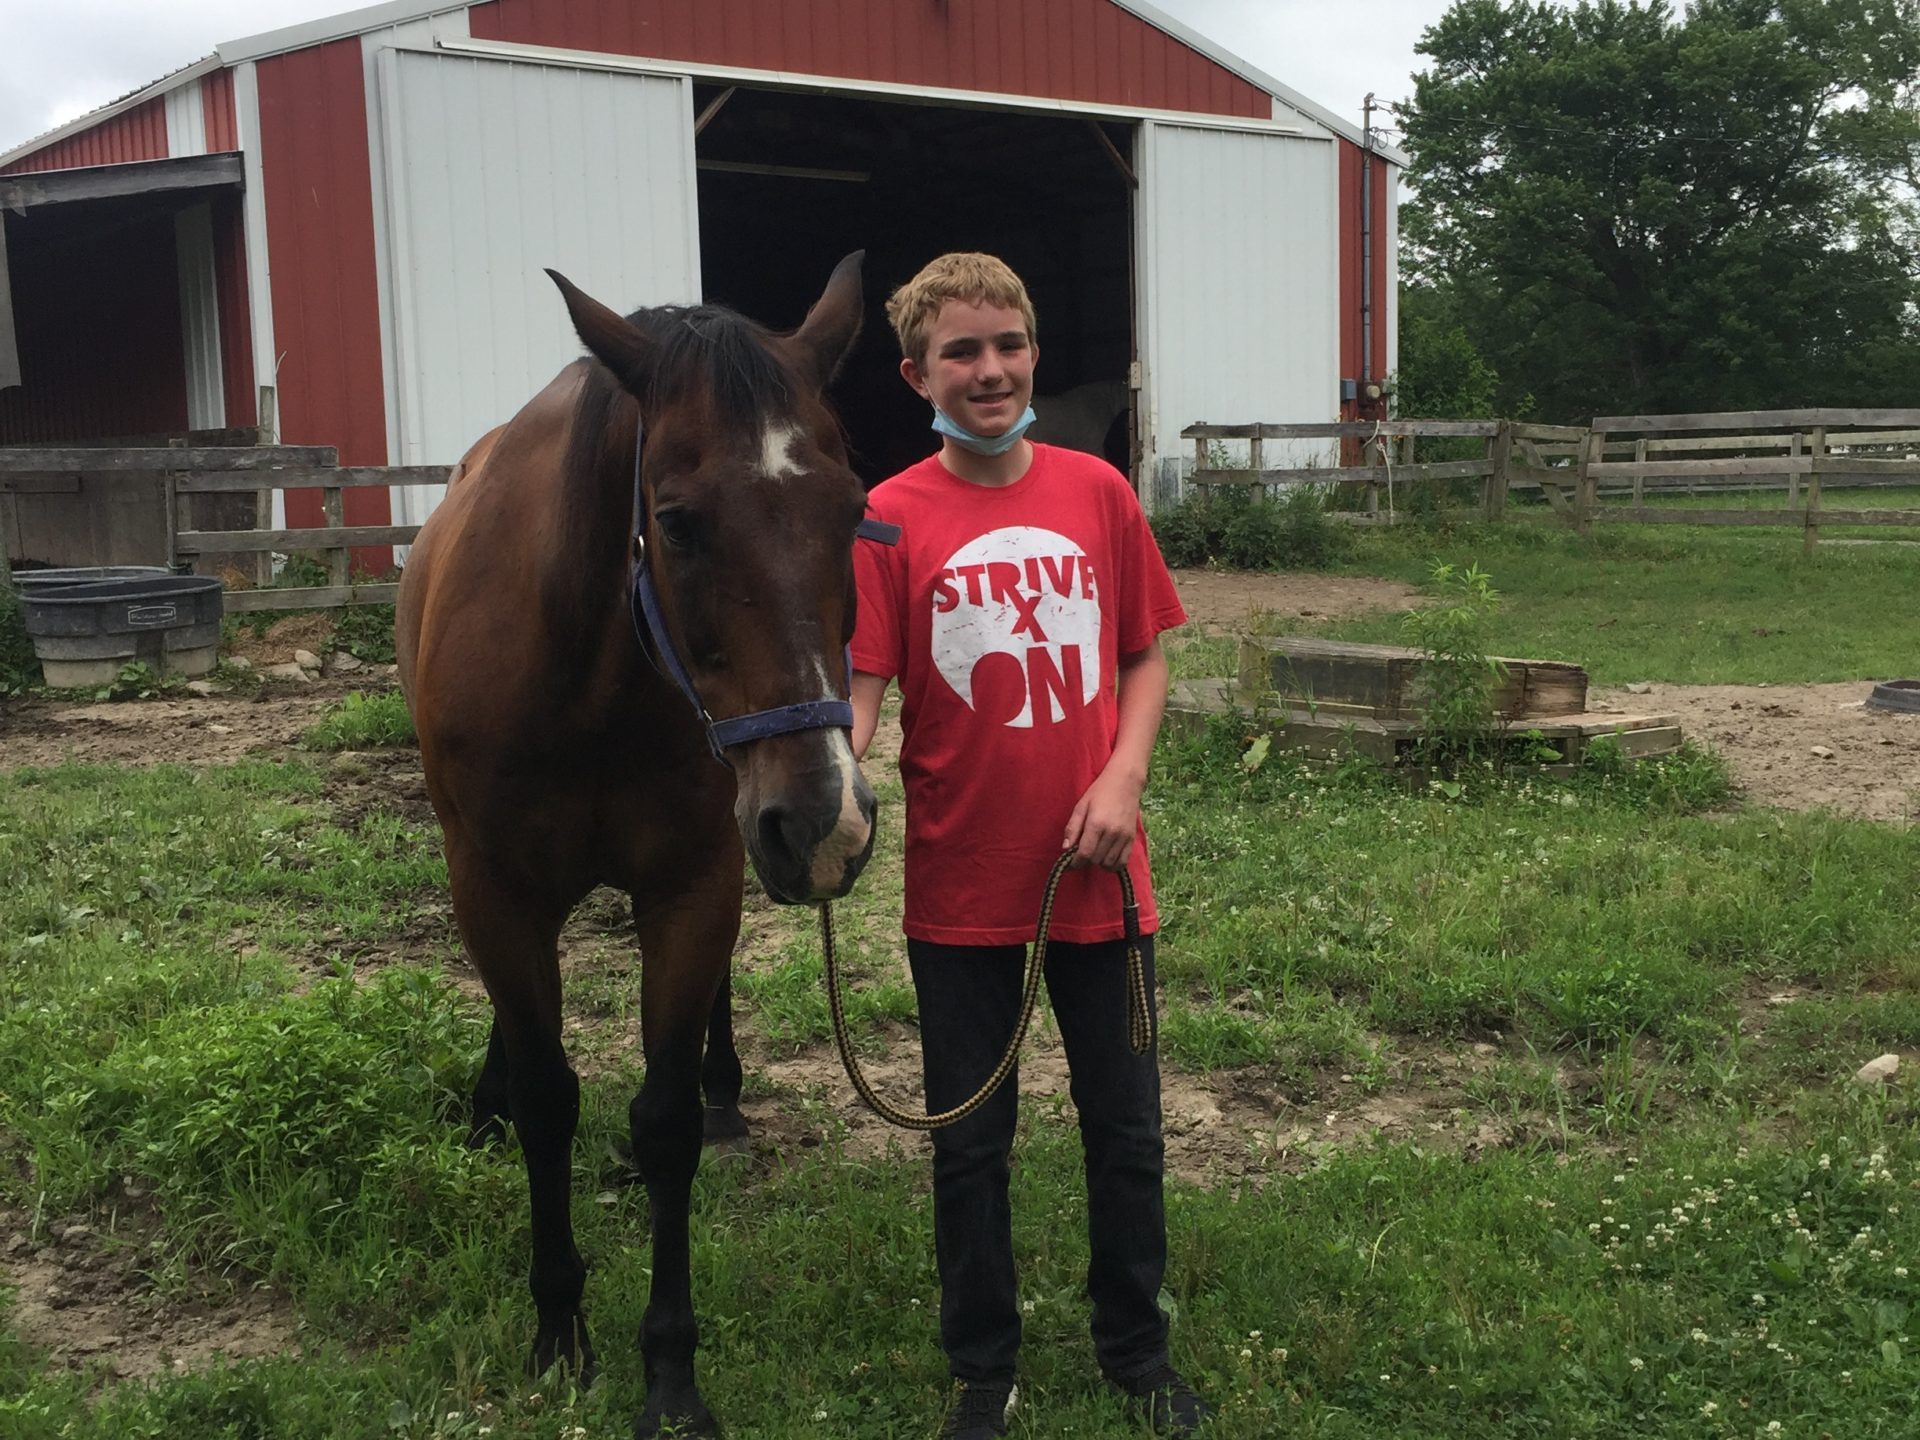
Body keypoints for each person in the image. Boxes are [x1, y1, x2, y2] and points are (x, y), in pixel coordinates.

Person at [850, 253, 1209, 1439]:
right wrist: (837, 775)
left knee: (1126, 1127)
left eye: (1007, 345)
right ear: (918, 375)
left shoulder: (1097, 491)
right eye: (961, 352)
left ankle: (1136, 1351)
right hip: (958, 889)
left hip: (1100, 877)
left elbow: (1146, 651)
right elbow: (861, 684)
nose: (990, 369)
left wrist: (1124, 774)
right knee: (970, 1146)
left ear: (1034, 353)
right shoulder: (889, 518)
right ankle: (982, 1368)